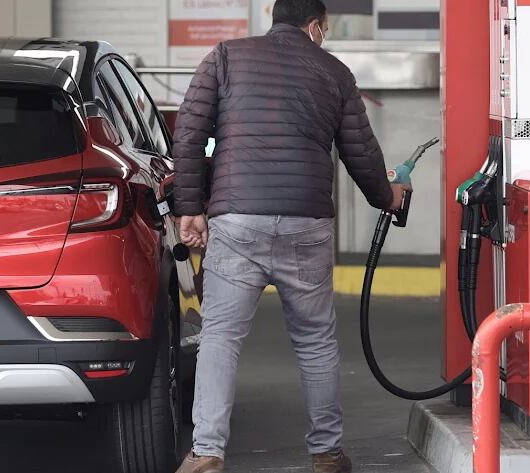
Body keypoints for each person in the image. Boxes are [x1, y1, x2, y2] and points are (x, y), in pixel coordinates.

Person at [171, 0, 409, 472]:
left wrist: (190, 208)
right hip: (306, 221)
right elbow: (360, 151)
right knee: (316, 340)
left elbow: (189, 135)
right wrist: (390, 196)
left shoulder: (224, 56)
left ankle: (207, 453)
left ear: (274, 19)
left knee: (219, 336)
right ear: (316, 26)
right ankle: (325, 453)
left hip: (236, 219)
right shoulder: (335, 72)